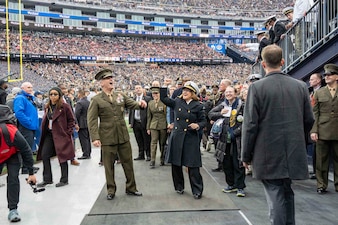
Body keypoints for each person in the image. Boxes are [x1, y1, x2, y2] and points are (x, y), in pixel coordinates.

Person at [241, 45, 314, 225]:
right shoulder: (301, 87)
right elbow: (309, 120)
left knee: (276, 196)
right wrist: (299, 143)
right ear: (282, 62)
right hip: (293, 150)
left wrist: (245, 155)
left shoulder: (256, 88)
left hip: (267, 153)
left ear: (263, 64)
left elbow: (250, 125)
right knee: (287, 193)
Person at [87, 69, 145, 200]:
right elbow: (92, 120)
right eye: (107, 78)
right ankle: (111, 190)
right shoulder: (96, 100)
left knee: (128, 163)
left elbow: (133, 104)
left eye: (111, 77)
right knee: (109, 165)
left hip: (123, 136)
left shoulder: (120, 95)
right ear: (101, 83)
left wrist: (141, 104)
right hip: (107, 137)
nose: (111, 80)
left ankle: (131, 188)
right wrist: (95, 137)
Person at [160, 81, 206, 199]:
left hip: (191, 138)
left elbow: (203, 121)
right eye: (184, 90)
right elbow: (164, 98)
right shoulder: (177, 102)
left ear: (193, 93)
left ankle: (197, 190)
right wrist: (165, 85)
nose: (185, 92)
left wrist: (198, 125)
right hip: (177, 136)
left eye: (188, 90)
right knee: (176, 164)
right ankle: (179, 186)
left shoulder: (198, 105)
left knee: (193, 166)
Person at [0, 105, 37, 222]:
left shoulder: (12, 132)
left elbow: (26, 151)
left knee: (13, 178)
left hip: (12, 154)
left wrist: (31, 173)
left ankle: (13, 209)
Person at [209, 86, 246, 197]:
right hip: (224, 139)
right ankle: (231, 184)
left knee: (238, 162)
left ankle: (240, 187)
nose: (228, 94)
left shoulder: (242, 105)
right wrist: (221, 113)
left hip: (238, 139)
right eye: (226, 92)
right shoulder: (223, 104)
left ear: (235, 93)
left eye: (230, 92)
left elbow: (248, 121)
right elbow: (210, 114)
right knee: (226, 162)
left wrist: (236, 133)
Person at [36, 87, 76, 188]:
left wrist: (68, 132)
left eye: (55, 94)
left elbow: (71, 120)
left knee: (62, 157)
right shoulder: (47, 106)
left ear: (59, 95)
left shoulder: (65, 106)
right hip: (49, 134)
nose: (53, 96)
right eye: (51, 94)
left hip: (61, 134)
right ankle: (47, 179)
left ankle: (64, 179)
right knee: (45, 155)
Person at [310, 64, 338, 194]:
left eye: (329, 74)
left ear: (336, 77)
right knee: (321, 160)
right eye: (325, 75)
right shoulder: (319, 93)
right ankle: (321, 184)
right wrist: (314, 131)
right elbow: (315, 114)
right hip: (322, 130)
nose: (326, 77)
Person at [13, 82, 40, 174]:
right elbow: (19, 113)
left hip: (30, 126)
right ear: (22, 88)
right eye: (28, 87)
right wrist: (28, 122)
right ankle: (26, 168)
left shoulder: (29, 98)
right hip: (26, 127)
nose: (30, 89)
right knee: (26, 147)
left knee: (28, 147)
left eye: (31, 87)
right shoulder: (20, 98)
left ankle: (28, 166)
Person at [129, 84, 151, 161]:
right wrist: (130, 122)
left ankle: (148, 154)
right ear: (134, 90)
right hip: (135, 122)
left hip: (144, 122)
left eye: (139, 88)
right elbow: (130, 111)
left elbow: (149, 112)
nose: (138, 89)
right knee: (138, 139)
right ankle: (141, 155)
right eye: (136, 88)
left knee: (146, 140)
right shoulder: (133, 99)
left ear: (142, 89)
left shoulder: (147, 99)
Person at [146, 86, 167, 168]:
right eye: (153, 93)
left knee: (162, 143)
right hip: (153, 125)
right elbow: (149, 116)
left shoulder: (163, 102)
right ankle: (153, 160)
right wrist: (148, 127)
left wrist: (167, 125)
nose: (155, 95)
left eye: (156, 93)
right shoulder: (150, 103)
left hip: (162, 125)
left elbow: (166, 115)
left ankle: (162, 159)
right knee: (153, 143)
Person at [75, 88, 92, 160]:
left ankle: (85, 153)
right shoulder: (88, 102)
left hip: (81, 123)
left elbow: (76, 114)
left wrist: (76, 123)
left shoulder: (79, 103)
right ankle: (88, 152)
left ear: (79, 94)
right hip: (88, 122)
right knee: (87, 138)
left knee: (83, 139)